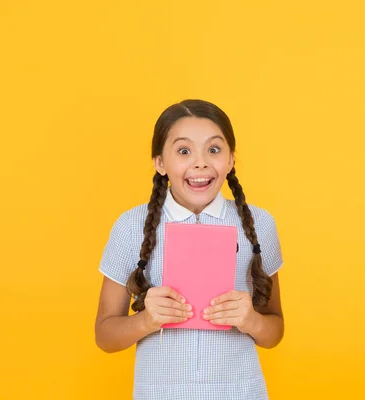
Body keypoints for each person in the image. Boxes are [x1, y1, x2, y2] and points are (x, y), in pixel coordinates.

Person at [94, 99, 284, 399]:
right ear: (160, 162)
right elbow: (104, 336)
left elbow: (275, 331)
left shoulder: (260, 224)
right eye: (184, 151)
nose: (200, 163)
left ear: (231, 159)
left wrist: (252, 321)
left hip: (240, 392)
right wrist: (145, 320)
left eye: (214, 149)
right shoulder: (131, 226)